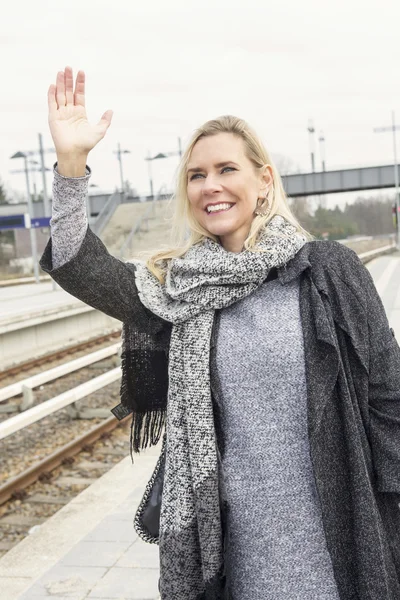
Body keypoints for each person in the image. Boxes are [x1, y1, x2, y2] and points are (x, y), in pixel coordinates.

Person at [39, 66, 400, 600]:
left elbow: (388, 399)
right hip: (234, 547)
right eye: (195, 175)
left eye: (226, 169)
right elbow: (77, 264)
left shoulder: (328, 272)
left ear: (265, 180)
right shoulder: (177, 292)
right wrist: (71, 164)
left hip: (343, 533)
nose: (210, 186)